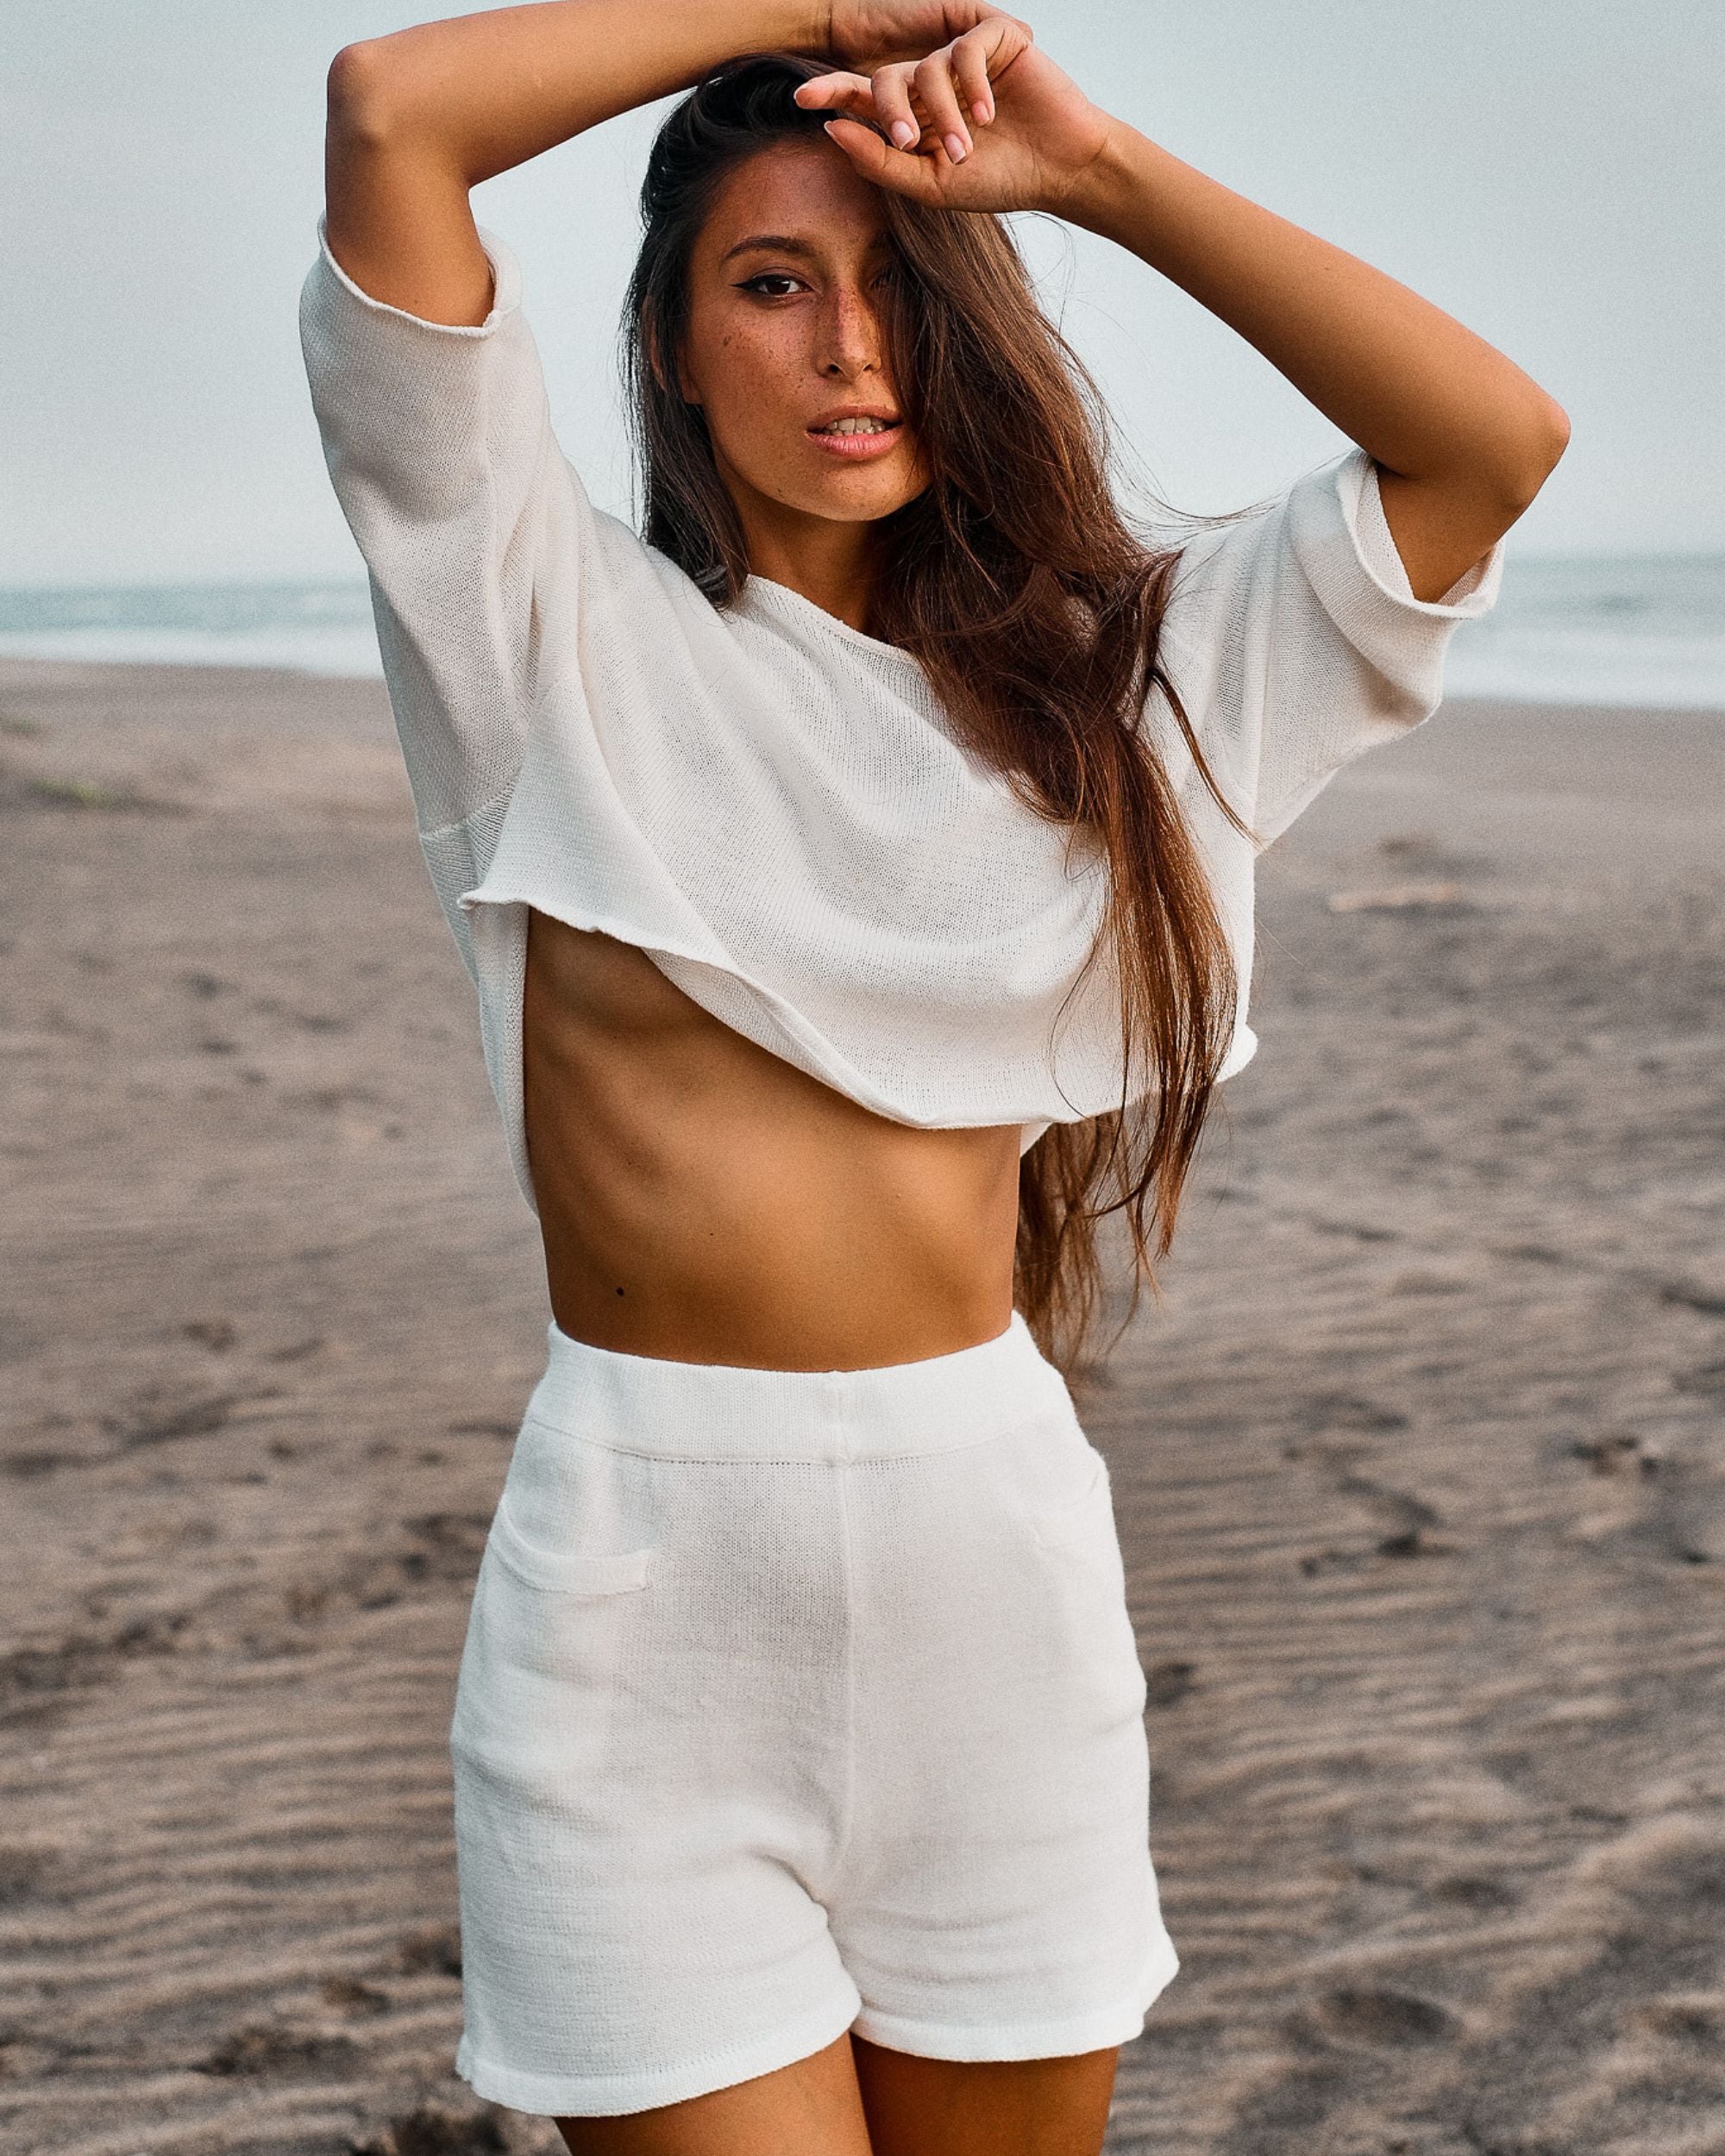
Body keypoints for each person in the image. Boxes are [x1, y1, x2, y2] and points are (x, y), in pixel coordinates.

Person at [299, 3, 1567, 2148]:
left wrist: (1092, 174)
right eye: (772, 285)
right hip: (639, 1606)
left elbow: (1486, 446)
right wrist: (820, 16)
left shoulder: (1119, 704)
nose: (843, 349)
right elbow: (390, 115)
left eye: (897, 288)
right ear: (673, 346)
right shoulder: (535, 636)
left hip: (993, 1575)